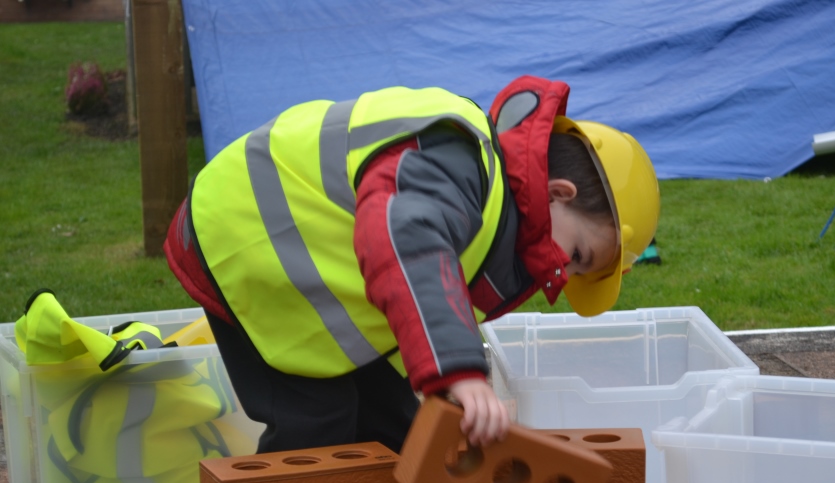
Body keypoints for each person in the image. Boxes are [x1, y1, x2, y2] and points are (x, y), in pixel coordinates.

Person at [163, 75, 659, 456]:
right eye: (578, 256)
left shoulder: (500, 217)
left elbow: (429, 298)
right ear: (558, 193)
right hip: (242, 235)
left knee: (395, 428)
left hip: (305, 268)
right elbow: (410, 246)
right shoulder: (461, 160)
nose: (562, 274)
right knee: (315, 423)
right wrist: (459, 372)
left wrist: (450, 388)